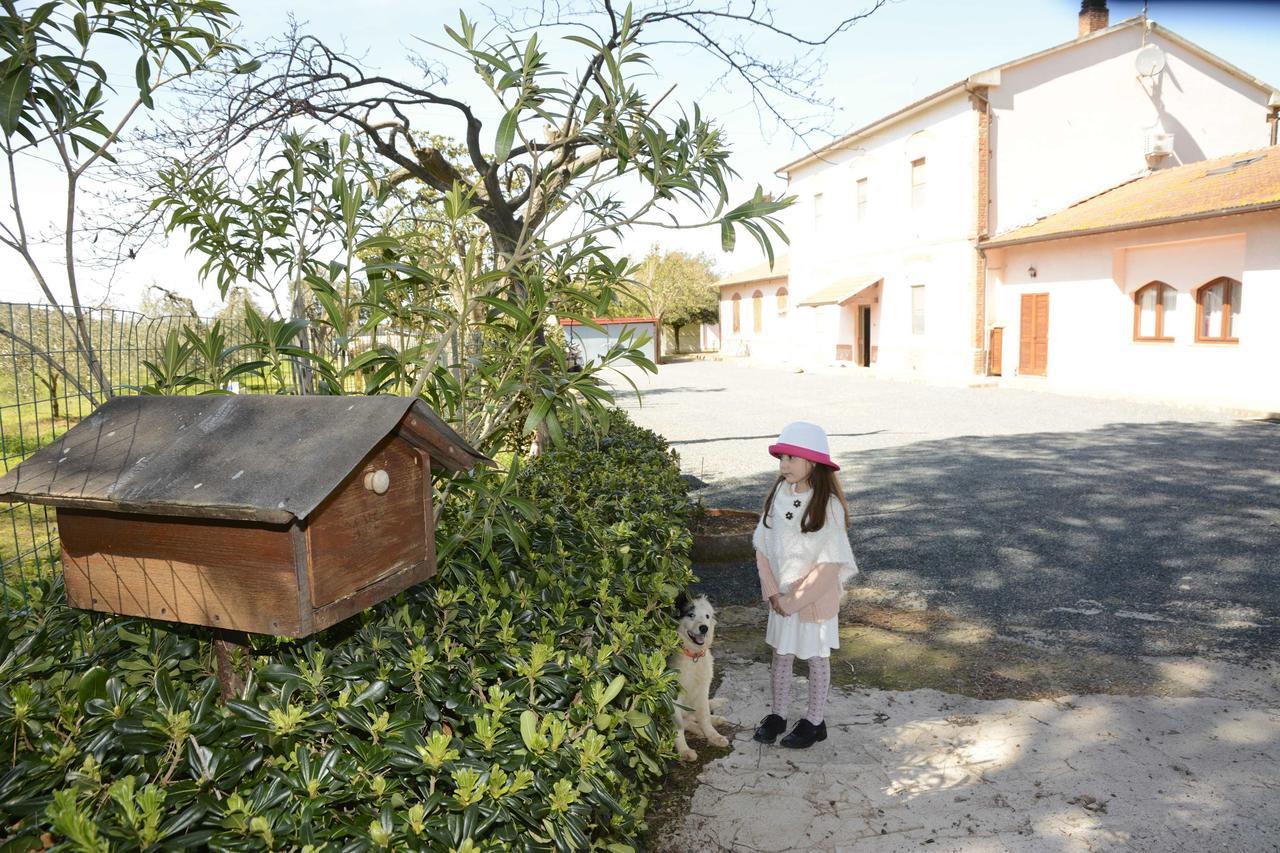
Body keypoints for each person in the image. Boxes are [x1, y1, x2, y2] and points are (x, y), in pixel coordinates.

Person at [750, 421, 858, 749]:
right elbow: (762, 548)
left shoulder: (829, 507)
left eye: (790, 459)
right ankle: (778, 714)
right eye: (781, 458)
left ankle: (814, 720)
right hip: (780, 599)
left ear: (812, 463)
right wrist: (772, 593)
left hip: (810, 602)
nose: (783, 465)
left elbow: (828, 566)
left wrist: (794, 600)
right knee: (781, 655)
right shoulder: (778, 497)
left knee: (815, 658)